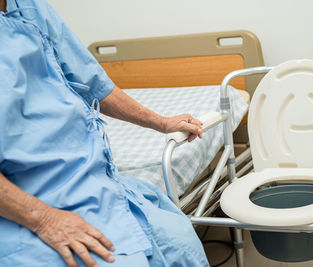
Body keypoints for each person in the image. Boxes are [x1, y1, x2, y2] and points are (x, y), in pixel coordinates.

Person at [0, 0, 210, 266]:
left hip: (87, 178)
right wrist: (44, 219)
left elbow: (93, 83)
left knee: (180, 241)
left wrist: (162, 122)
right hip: (22, 199)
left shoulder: (30, 6)